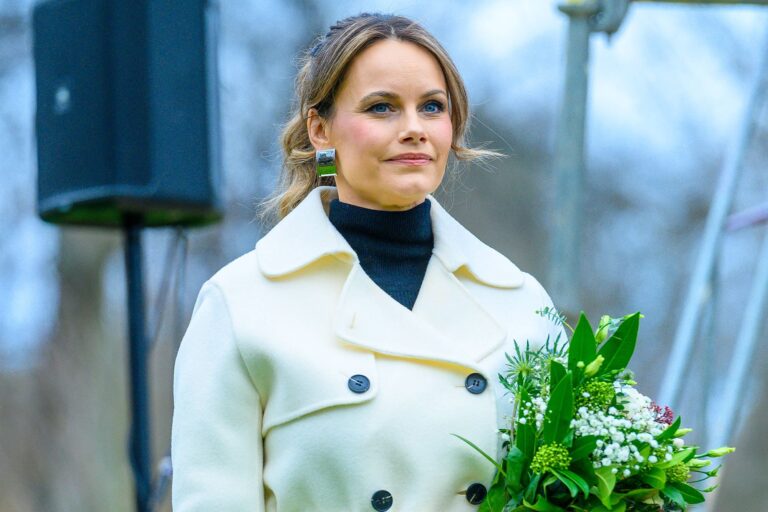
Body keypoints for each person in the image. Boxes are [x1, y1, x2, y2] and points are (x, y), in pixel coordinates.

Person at [171, 12, 564, 512]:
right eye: (382, 107)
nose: (414, 129)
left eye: (432, 107)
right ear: (320, 130)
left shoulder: (520, 301)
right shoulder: (241, 304)